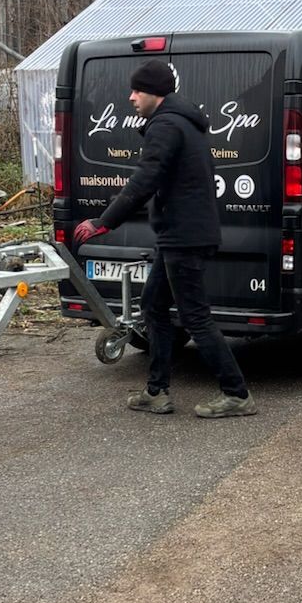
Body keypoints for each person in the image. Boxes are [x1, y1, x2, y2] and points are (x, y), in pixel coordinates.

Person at [73, 58, 255, 418]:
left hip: (183, 238)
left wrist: (105, 222)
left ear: (154, 93)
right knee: (154, 307)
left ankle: (236, 393)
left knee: (195, 317)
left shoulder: (166, 126)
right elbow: (168, 185)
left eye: (136, 90)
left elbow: (145, 180)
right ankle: (156, 391)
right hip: (180, 235)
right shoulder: (181, 124)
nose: (131, 98)